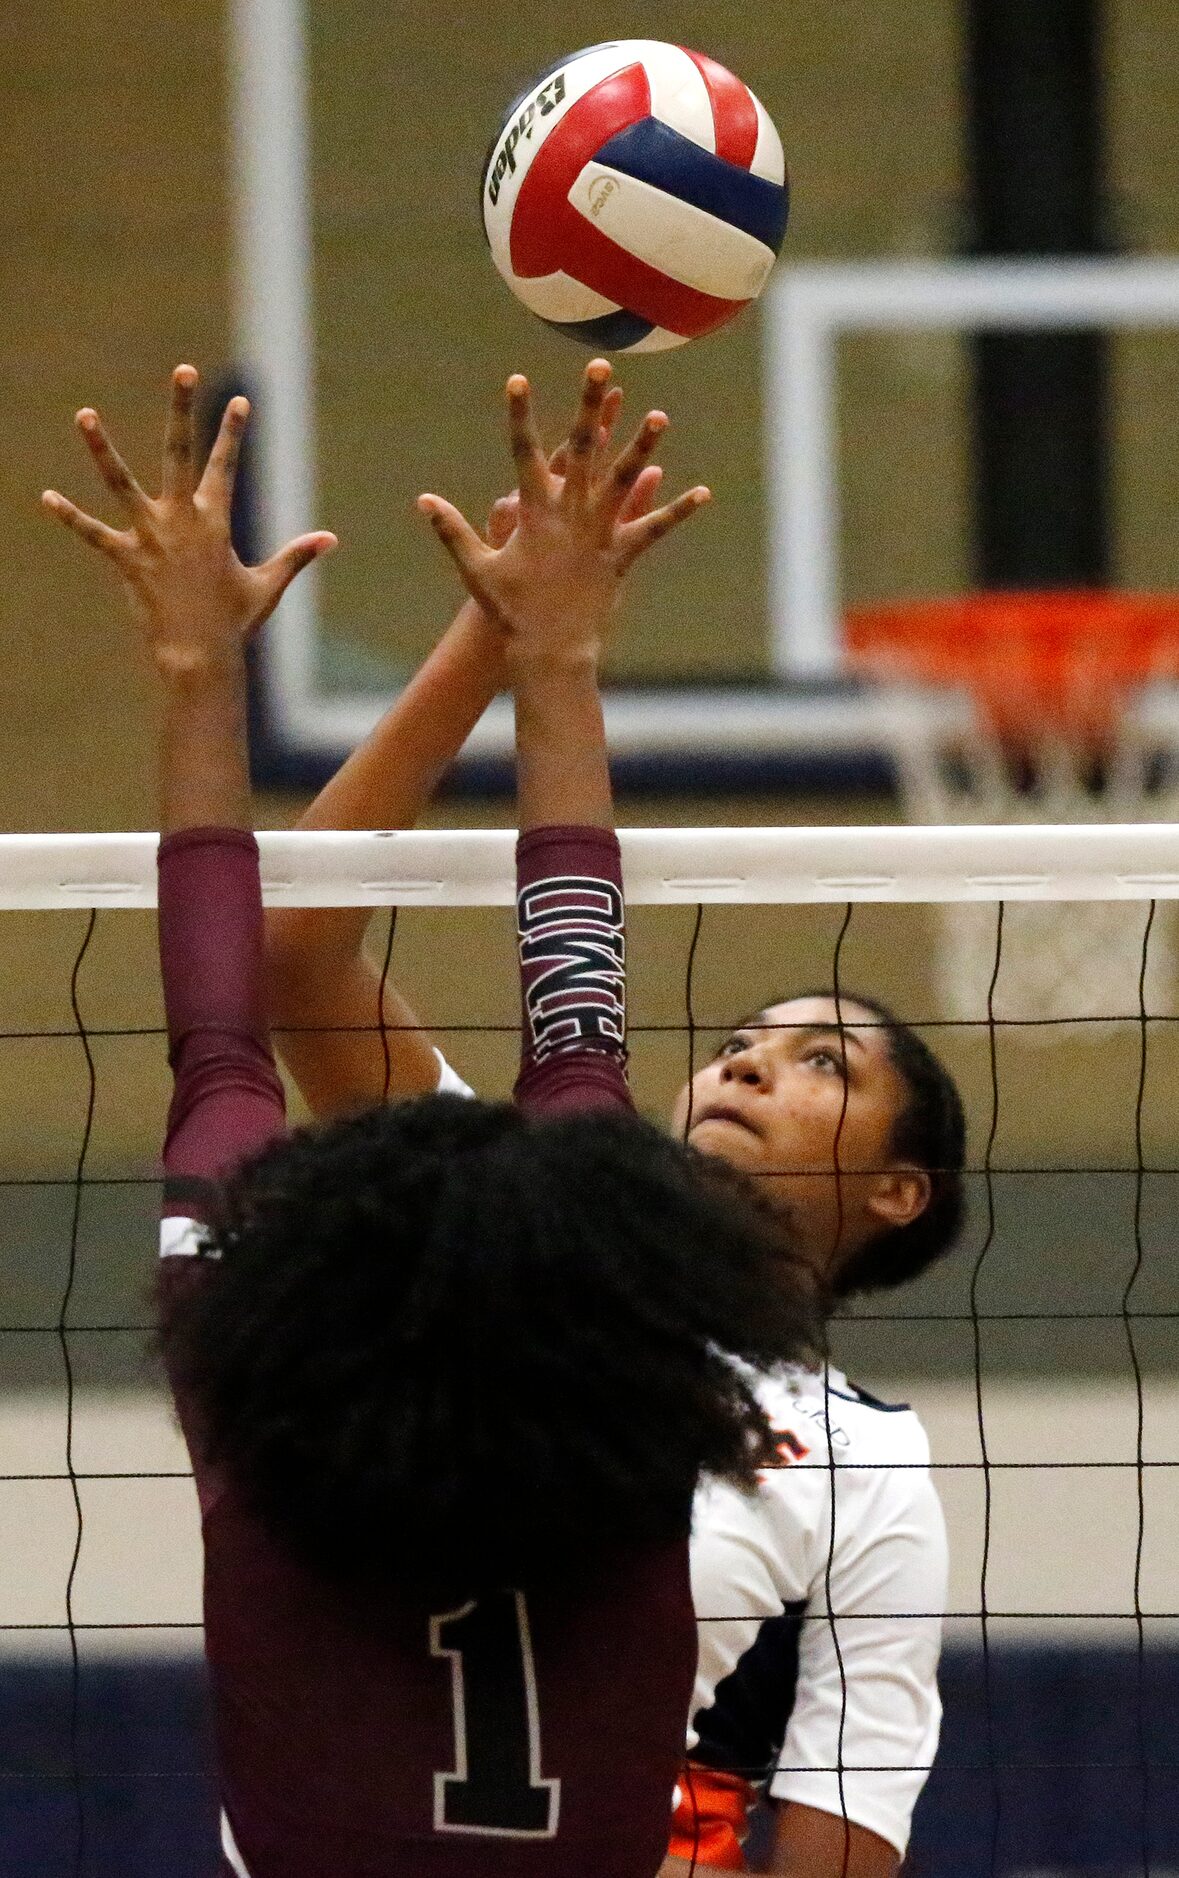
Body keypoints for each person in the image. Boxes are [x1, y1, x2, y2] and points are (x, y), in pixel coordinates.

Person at [43, 360, 823, 1878]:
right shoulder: (632, 1405)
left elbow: (247, 1044)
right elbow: (567, 1016)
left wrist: (202, 675)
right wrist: (563, 655)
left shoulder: (261, 1436)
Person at [259, 408, 967, 1876]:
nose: (750, 1063)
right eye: (744, 1040)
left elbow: (841, 1839)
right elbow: (297, 954)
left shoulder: (865, 1468)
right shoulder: (522, 1227)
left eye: (822, 1060)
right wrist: (498, 643)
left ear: (899, 1190)